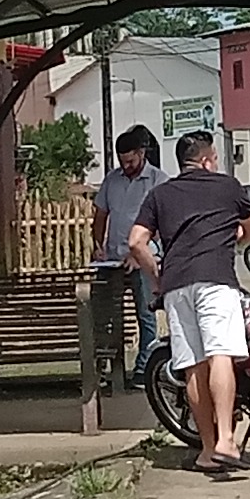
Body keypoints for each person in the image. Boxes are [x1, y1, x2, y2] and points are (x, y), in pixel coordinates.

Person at [128, 128, 250, 476]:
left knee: (193, 366)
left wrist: (156, 277)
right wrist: (235, 241)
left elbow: (136, 242)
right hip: (216, 280)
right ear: (205, 161)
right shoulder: (228, 186)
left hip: (176, 287)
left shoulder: (160, 194)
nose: (216, 163)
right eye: (215, 158)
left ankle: (207, 450)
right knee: (221, 355)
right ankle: (227, 439)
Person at [90, 124, 164, 373]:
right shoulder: (112, 180)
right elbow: (100, 215)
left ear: (141, 153)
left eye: (131, 161)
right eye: (122, 162)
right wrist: (98, 245)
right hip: (112, 260)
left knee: (146, 314)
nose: (127, 166)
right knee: (104, 314)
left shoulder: (158, 181)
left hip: (142, 259)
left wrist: (138, 254)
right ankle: (103, 365)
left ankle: (144, 368)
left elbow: (160, 225)